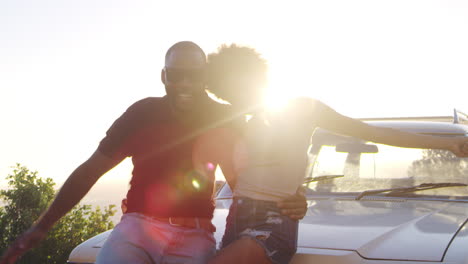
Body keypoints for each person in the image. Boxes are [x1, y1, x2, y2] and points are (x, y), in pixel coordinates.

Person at [0, 41, 308, 264]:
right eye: (176, 75)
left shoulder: (225, 119)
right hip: (137, 231)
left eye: (194, 75)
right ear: (163, 76)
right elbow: (90, 170)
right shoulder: (140, 114)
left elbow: (247, 183)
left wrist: (290, 202)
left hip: (195, 236)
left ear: (205, 78)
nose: (185, 83)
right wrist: (42, 226)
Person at [204, 44, 468, 264]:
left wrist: (448, 144)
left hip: (273, 223)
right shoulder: (233, 125)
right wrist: (301, 196)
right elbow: (238, 186)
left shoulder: (302, 109)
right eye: (229, 93)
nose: (237, 98)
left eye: (241, 86)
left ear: (257, 78)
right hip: (236, 222)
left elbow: (373, 133)